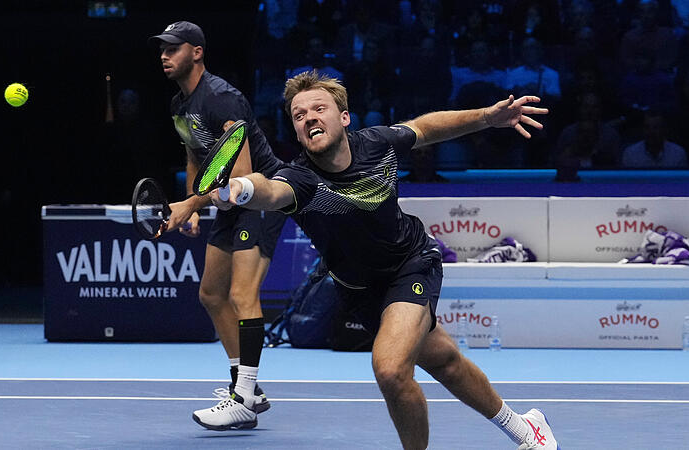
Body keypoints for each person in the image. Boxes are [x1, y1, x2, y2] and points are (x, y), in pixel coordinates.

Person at [209, 70, 558, 449]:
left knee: (390, 369)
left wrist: (486, 118)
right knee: (445, 363)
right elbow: (269, 191)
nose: (309, 117)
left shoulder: (377, 144)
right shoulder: (301, 180)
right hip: (361, 293)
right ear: (296, 131)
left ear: (344, 117)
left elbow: (426, 127)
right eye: (299, 114)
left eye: (319, 108)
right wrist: (238, 188)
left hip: (411, 264)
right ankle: (527, 430)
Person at [147, 21, 287, 430]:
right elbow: (196, 157)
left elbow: (241, 177)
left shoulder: (223, 99)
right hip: (227, 204)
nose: (164, 55)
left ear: (197, 52)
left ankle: (244, 397)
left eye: (173, 48)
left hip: (261, 197)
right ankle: (247, 389)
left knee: (243, 295)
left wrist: (189, 203)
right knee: (211, 294)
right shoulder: (179, 106)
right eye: (162, 49)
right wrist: (194, 206)